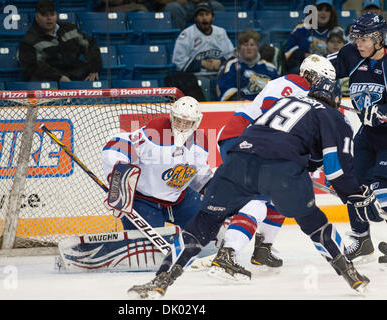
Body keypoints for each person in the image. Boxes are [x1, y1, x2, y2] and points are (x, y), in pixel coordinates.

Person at [128, 77, 385, 299]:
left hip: (238, 161)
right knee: (315, 225)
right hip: (281, 171)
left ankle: (161, 280)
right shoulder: (334, 117)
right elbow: (336, 171)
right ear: (335, 100)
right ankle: (352, 276)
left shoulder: (284, 103)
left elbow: (263, 134)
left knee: (202, 225)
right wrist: (355, 194)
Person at [210, 54, 336, 277]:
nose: (323, 86)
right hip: (241, 139)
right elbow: (272, 118)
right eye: (320, 79)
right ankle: (227, 253)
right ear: (308, 74)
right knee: (257, 200)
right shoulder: (289, 83)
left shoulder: (309, 97)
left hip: (262, 145)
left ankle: (263, 248)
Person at [55, 96, 214, 272]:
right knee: (149, 253)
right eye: (178, 121)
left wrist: (216, 190)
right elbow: (120, 143)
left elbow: (200, 175)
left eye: (187, 123)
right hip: (145, 201)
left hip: (180, 199)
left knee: (210, 229)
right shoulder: (156, 131)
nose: (181, 127)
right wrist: (118, 180)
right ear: (171, 116)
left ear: (196, 122)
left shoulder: (201, 142)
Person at [327, 12, 387, 266]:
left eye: (365, 38)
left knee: (382, 193)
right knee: (353, 187)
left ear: (379, 38)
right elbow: (318, 70)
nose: (358, 43)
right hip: (366, 134)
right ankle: (362, 240)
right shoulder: (350, 54)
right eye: (356, 37)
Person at [18, 0, 102, 82]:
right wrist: (58, 77)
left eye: (52, 14)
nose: (49, 18)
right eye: (44, 15)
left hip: (74, 73)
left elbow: (89, 45)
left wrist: (94, 68)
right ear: (37, 17)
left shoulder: (70, 29)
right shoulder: (29, 39)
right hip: (49, 78)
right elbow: (32, 65)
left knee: (93, 80)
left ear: (56, 15)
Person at [171, 2, 234, 78]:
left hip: (220, 76)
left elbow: (231, 56)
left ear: (212, 17)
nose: (204, 18)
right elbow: (178, 61)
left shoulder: (221, 32)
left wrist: (221, 62)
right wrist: (201, 63)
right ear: (195, 18)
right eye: (201, 15)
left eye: (207, 14)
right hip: (194, 78)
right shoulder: (186, 35)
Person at [216, 30, 279, 101]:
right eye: (245, 45)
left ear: (257, 47)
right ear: (240, 47)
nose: (249, 48)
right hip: (240, 108)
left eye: (252, 45)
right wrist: (242, 101)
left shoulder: (269, 67)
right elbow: (225, 89)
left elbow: (279, 89)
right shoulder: (231, 65)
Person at [284, 0, 344, 74]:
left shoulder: (338, 31)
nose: (323, 13)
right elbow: (289, 51)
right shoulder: (301, 28)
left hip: (331, 69)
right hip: (304, 69)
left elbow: (345, 55)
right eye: (320, 9)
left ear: (332, 13)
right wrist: (306, 56)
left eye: (327, 10)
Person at [154, 0, 225, 30]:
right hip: (180, 7)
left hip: (199, 4)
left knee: (217, 6)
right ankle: (181, 39)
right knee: (174, 7)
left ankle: (216, 37)